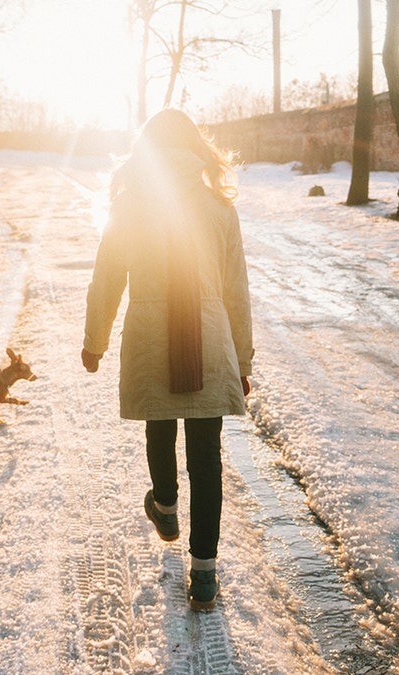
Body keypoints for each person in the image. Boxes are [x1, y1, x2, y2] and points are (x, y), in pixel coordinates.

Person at [81, 109, 253, 612]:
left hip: (152, 337)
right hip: (209, 340)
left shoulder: (131, 206)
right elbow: (237, 291)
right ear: (195, 148)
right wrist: (242, 358)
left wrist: (95, 341)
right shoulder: (220, 206)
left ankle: (166, 505)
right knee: (207, 457)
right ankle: (204, 576)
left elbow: (107, 277)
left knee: (160, 423)